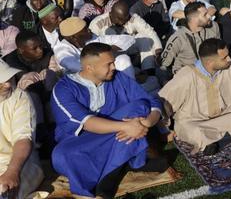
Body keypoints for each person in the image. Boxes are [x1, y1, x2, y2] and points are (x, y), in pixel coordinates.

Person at [51, 43, 164, 198]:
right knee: (61, 156)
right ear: (89, 67)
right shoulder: (63, 88)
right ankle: (122, 165)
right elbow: (88, 122)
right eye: (109, 64)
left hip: (119, 135)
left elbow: (150, 101)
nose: (113, 67)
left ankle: (105, 187)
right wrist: (127, 127)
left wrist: (147, 123)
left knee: (137, 107)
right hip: (85, 142)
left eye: (113, 62)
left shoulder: (118, 77)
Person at [159, 38, 231, 155]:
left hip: (225, 117)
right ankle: (229, 136)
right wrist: (166, 130)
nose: (230, 59)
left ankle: (216, 141)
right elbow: (163, 102)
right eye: (224, 57)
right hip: (196, 122)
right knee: (190, 130)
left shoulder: (230, 68)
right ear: (209, 63)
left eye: (228, 55)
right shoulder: (186, 75)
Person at [0, 60, 44, 199]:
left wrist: (12, 171)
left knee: (5, 192)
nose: (7, 84)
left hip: (18, 161)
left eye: (9, 79)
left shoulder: (19, 97)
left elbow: (23, 138)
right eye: (1, 82)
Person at [89, 1, 162, 74]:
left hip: (130, 48)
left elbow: (149, 31)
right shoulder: (97, 23)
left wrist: (158, 49)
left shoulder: (132, 17)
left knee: (144, 38)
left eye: (126, 19)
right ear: (112, 14)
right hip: (111, 53)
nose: (123, 22)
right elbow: (91, 45)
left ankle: (149, 70)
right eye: (121, 19)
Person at [159, 2, 220, 79]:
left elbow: (220, 50)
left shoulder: (213, 26)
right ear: (193, 19)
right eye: (205, 14)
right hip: (187, 76)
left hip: (211, 71)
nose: (209, 16)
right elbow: (163, 65)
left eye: (208, 13)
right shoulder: (178, 37)